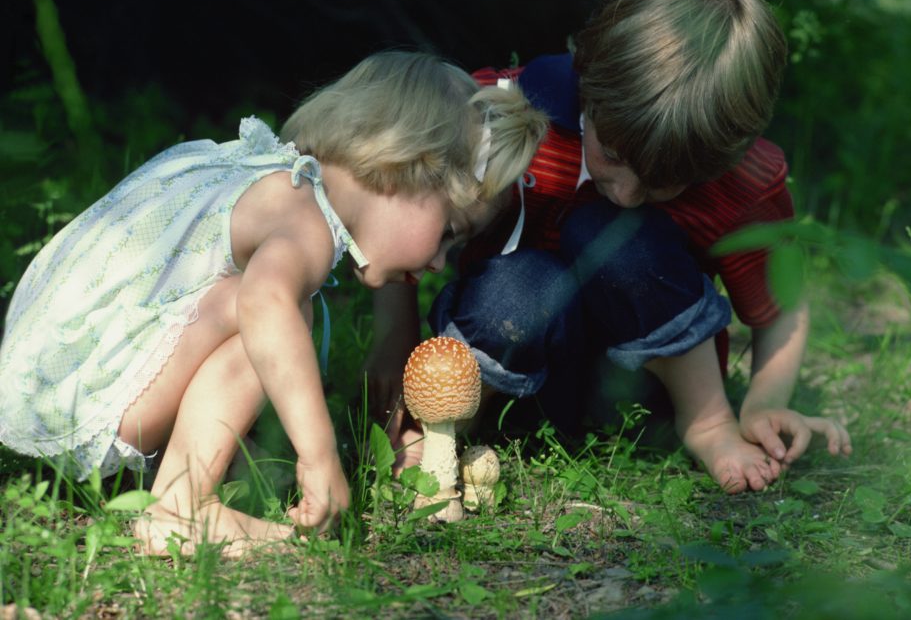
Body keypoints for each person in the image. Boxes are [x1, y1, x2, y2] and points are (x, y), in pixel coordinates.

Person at [0, 51, 547, 555]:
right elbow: (265, 304)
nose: (437, 263)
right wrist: (319, 456)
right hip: (87, 398)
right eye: (449, 231)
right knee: (277, 309)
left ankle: (181, 482)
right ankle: (181, 505)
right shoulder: (301, 214)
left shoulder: (271, 174)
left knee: (266, 303)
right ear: (405, 166)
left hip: (47, 377)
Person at [368, 0, 851, 494]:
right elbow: (410, 202)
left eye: (666, 183)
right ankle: (444, 433)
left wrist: (764, 402)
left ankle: (709, 424)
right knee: (522, 284)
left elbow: (783, 305)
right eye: (616, 156)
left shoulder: (737, 180)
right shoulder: (505, 115)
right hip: (511, 371)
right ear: (588, 83)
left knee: (612, 232)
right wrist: (395, 332)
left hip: (649, 397)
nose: (628, 193)